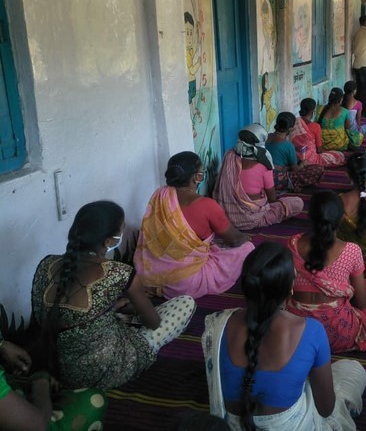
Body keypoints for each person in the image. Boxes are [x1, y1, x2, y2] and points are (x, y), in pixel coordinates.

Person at [201, 242, 366, 430]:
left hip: (231, 424)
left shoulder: (217, 324)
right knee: (353, 369)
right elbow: (326, 409)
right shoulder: (312, 331)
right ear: (290, 288)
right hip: (291, 425)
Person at [32, 201, 195, 390]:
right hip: (99, 370)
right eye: (122, 229)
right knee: (185, 303)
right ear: (109, 242)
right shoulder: (119, 273)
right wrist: (136, 309)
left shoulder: (47, 264)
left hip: (50, 362)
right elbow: (153, 322)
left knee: (113, 313)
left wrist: (112, 307)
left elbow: (65, 314)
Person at [134, 151, 255, 298]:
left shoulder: (160, 195)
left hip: (154, 275)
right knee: (247, 247)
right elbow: (234, 240)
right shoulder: (208, 205)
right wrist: (245, 238)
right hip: (187, 282)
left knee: (213, 246)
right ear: (197, 177)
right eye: (201, 172)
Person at [286, 191, 366, 352]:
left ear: (309, 216)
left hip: (295, 332)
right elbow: (360, 303)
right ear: (341, 218)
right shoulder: (351, 251)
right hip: (339, 335)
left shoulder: (293, 244)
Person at [215, 124, 304, 231]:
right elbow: (272, 199)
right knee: (297, 203)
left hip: (227, 217)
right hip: (253, 218)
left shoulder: (229, 156)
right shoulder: (264, 165)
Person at [266, 112, 324, 193]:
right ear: (291, 129)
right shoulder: (288, 145)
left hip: (263, 176)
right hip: (276, 180)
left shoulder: (266, 137)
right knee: (318, 169)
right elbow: (295, 169)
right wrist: (303, 165)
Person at [289, 98, 345, 167]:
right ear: (313, 111)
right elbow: (319, 150)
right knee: (339, 155)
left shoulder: (295, 123)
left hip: (295, 158)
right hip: (311, 159)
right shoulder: (316, 126)